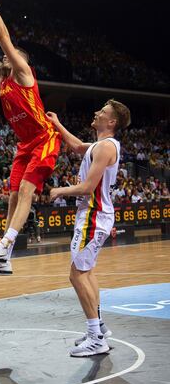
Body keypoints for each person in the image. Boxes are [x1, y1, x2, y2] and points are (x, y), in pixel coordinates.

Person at [0, 0, 61, 275]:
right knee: (12, 194)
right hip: (25, 144)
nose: (5, 56)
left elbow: (1, 37)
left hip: (45, 138)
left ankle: (6, 242)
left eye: (12, 54)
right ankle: (4, 257)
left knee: (26, 190)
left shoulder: (24, 74)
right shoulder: (1, 79)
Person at [48, 99, 131, 357]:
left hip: (93, 216)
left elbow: (86, 188)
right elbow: (75, 146)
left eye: (103, 112)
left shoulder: (106, 147)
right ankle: (100, 328)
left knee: (77, 275)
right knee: (87, 272)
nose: (96, 113)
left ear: (112, 122)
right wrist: (58, 124)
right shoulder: (100, 145)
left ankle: (95, 338)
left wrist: (59, 190)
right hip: (96, 215)